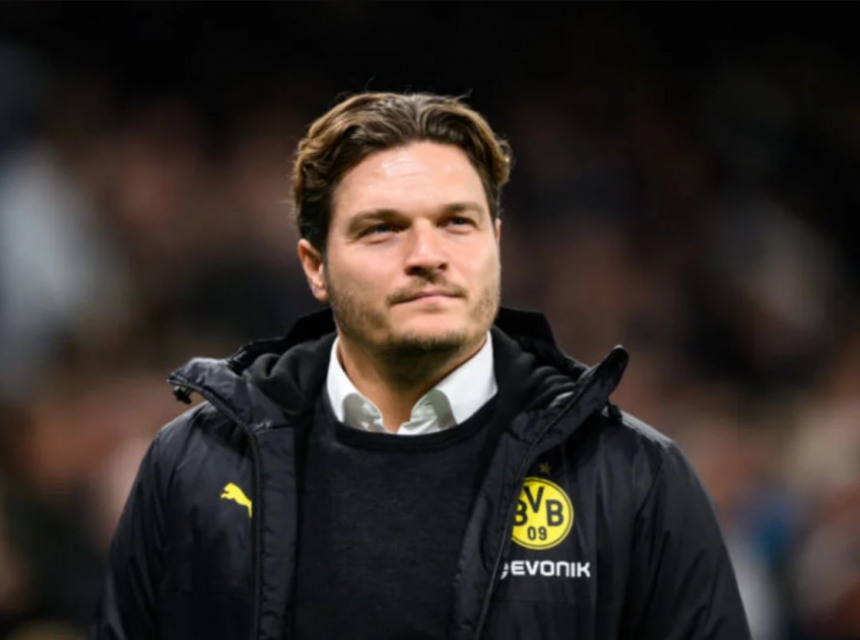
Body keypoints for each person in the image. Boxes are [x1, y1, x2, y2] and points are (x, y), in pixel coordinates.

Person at [90, 92, 752, 640]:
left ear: (496, 243)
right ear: (315, 267)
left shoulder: (634, 477)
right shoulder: (192, 468)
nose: (428, 255)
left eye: (457, 223)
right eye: (382, 228)